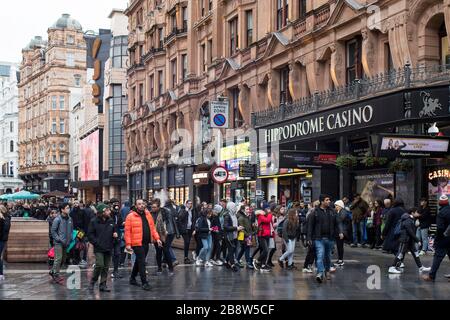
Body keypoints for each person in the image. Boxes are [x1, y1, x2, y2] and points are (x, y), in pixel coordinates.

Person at [125, 199, 162, 291]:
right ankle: (144, 282)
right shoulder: (130, 216)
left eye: (142, 204)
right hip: (136, 243)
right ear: (136, 206)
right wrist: (128, 244)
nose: (141, 205)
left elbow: (153, 228)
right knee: (142, 262)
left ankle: (132, 278)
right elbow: (127, 232)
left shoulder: (148, 214)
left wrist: (157, 239)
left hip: (146, 242)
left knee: (138, 261)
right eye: (139, 204)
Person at [307, 195, 344, 283]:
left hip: (330, 238)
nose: (329, 201)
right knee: (320, 256)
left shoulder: (332, 211)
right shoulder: (315, 212)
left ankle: (327, 271)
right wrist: (309, 238)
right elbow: (310, 226)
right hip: (319, 238)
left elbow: (338, 222)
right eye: (327, 200)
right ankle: (320, 272)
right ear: (321, 201)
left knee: (328, 257)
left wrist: (340, 231)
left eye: (329, 200)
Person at [388, 208, 431, 274]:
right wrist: (417, 240)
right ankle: (392, 267)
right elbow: (410, 231)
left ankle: (420, 267)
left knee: (415, 253)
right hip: (405, 240)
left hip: (409, 240)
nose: (418, 213)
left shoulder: (411, 219)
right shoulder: (407, 219)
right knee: (400, 253)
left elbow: (411, 231)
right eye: (416, 212)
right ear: (412, 213)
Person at [88, 204, 118, 291]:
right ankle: (93, 281)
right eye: (107, 210)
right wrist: (96, 242)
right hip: (99, 247)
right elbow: (90, 234)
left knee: (106, 267)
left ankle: (103, 284)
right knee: (100, 264)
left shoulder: (111, 221)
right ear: (102, 212)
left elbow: (114, 231)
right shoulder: (94, 221)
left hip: (109, 246)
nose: (109, 212)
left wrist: (115, 235)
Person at [423, 195, 450, 282]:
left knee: (438, 257)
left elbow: (440, 228)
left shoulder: (441, 213)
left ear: (440, 203)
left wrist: (437, 237)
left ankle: (431, 276)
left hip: (443, 239)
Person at [153, 200, 179, 274]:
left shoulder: (165, 211)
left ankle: (170, 268)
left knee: (166, 250)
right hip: (156, 234)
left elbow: (170, 221)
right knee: (158, 251)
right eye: (152, 207)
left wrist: (167, 230)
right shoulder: (151, 213)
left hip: (167, 233)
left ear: (159, 206)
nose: (153, 208)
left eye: (154, 207)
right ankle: (159, 268)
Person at [49, 203, 73, 284]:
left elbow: (71, 230)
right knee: (58, 259)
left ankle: (53, 271)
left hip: (66, 243)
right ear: (62, 209)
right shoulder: (57, 219)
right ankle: (56, 274)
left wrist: (70, 239)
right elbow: (53, 231)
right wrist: (58, 239)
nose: (68, 209)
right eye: (67, 208)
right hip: (58, 243)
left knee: (63, 259)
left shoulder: (70, 219)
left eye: (69, 208)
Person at [223, 202, 243, 272]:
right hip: (229, 236)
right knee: (231, 250)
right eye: (234, 207)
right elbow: (225, 227)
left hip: (235, 235)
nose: (235, 208)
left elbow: (235, 224)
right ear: (230, 207)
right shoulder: (227, 216)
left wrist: (239, 227)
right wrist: (236, 228)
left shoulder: (234, 215)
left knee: (233, 249)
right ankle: (232, 265)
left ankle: (226, 261)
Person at [177, 199, 198, 264]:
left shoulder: (192, 211)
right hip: (184, 229)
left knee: (187, 243)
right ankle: (186, 258)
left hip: (190, 229)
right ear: (186, 204)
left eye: (191, 203)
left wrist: (194, 229)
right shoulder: (183, 210)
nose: (190, 205)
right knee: (187, 241)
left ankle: (186, 257)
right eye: (188, 203)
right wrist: (185, 211)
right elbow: (180, 218)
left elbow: (194, 220)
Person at [236, 205, 255, 269]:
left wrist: (253, 229)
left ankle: (237, 260)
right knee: (247, 248)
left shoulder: (247, 217)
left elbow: (249, 227)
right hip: (243, 235)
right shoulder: (241, 218)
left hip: (247, 235)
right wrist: (247, 235)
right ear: (243, 210)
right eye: (247, 209)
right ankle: (248, 263)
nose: (248, 210)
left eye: (248, 209)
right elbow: (241, 229)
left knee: (243, 249)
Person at [110, 199, 124, 279]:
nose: (116, 206)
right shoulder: (109, 214)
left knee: (117, 254)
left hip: (117, 237)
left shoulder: (118, 214)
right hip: (109, 237)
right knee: (110, 254)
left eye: (117, 204)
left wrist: (123, 224)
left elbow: (120, 223)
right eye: (114, 204)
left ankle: (116, 271)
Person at [334, 200, 347, 266]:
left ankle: (341, 260)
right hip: (338, 231)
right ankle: (340, 259)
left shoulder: (343, 212)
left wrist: (341, 232)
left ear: (340, 206)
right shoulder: (338, 211)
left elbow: (340, 222)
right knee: (339, 246)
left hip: (341, 232)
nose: (335, 207)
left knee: (340, 246)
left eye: (336, 205)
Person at [0, 204, 11, 281]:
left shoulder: (5, 219)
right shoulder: (5, 218)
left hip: (1, 240)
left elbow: (5, 230)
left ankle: (1, 274)